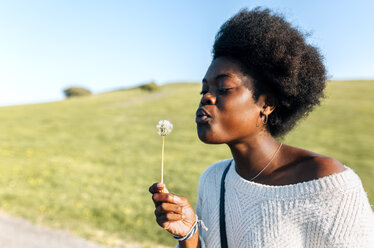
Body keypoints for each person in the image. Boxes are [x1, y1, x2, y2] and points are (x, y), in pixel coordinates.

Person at [149, 7, 374, 248]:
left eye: (223, 88)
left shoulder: (325, 180)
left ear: (266, 104)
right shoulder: (213, 180)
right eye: (204, 90)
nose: (207, 98)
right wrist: (188, 235)